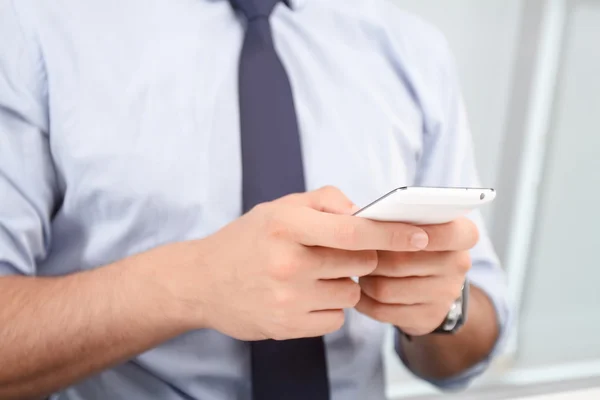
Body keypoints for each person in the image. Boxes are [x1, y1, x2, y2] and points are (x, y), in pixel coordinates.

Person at [0, 0, 510, 399]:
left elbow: (477, 336)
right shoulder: (31, 28)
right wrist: (192, 283)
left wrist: (443, 309)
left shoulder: (412, 50)